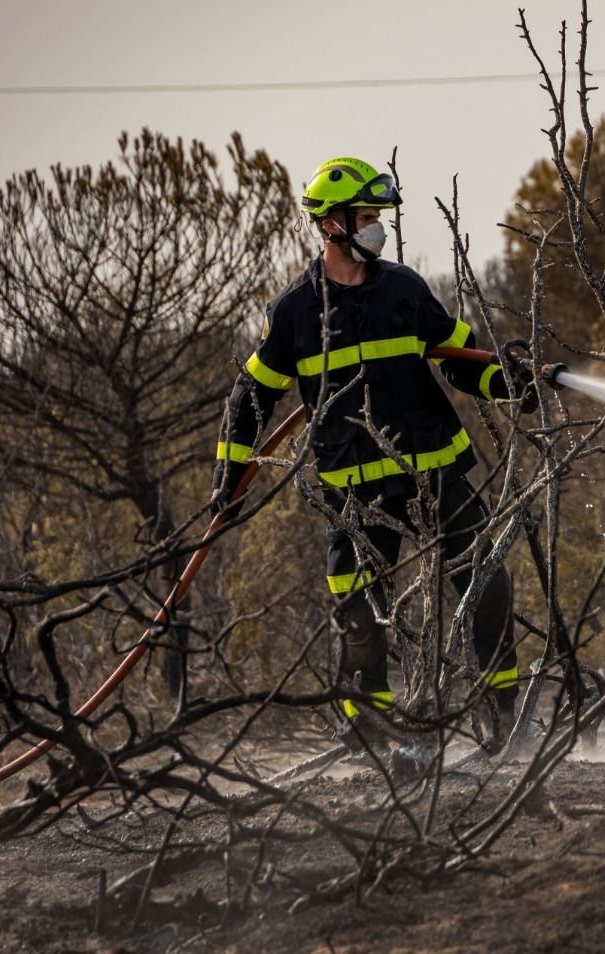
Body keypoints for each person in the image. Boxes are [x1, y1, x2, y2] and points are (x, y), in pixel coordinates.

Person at [211, 155, 534, 754]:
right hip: (354, 491)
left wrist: (510, 383)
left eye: (376, 218)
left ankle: (505, 718)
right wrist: (227, 479)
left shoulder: (405, 290)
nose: (376, 229)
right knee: (358, 611)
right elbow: (250, 399)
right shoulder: (294, 312)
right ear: (329, 224)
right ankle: (370, 734)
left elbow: (462, 360)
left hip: (434, 471)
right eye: (364, 218)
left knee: (486, 587)